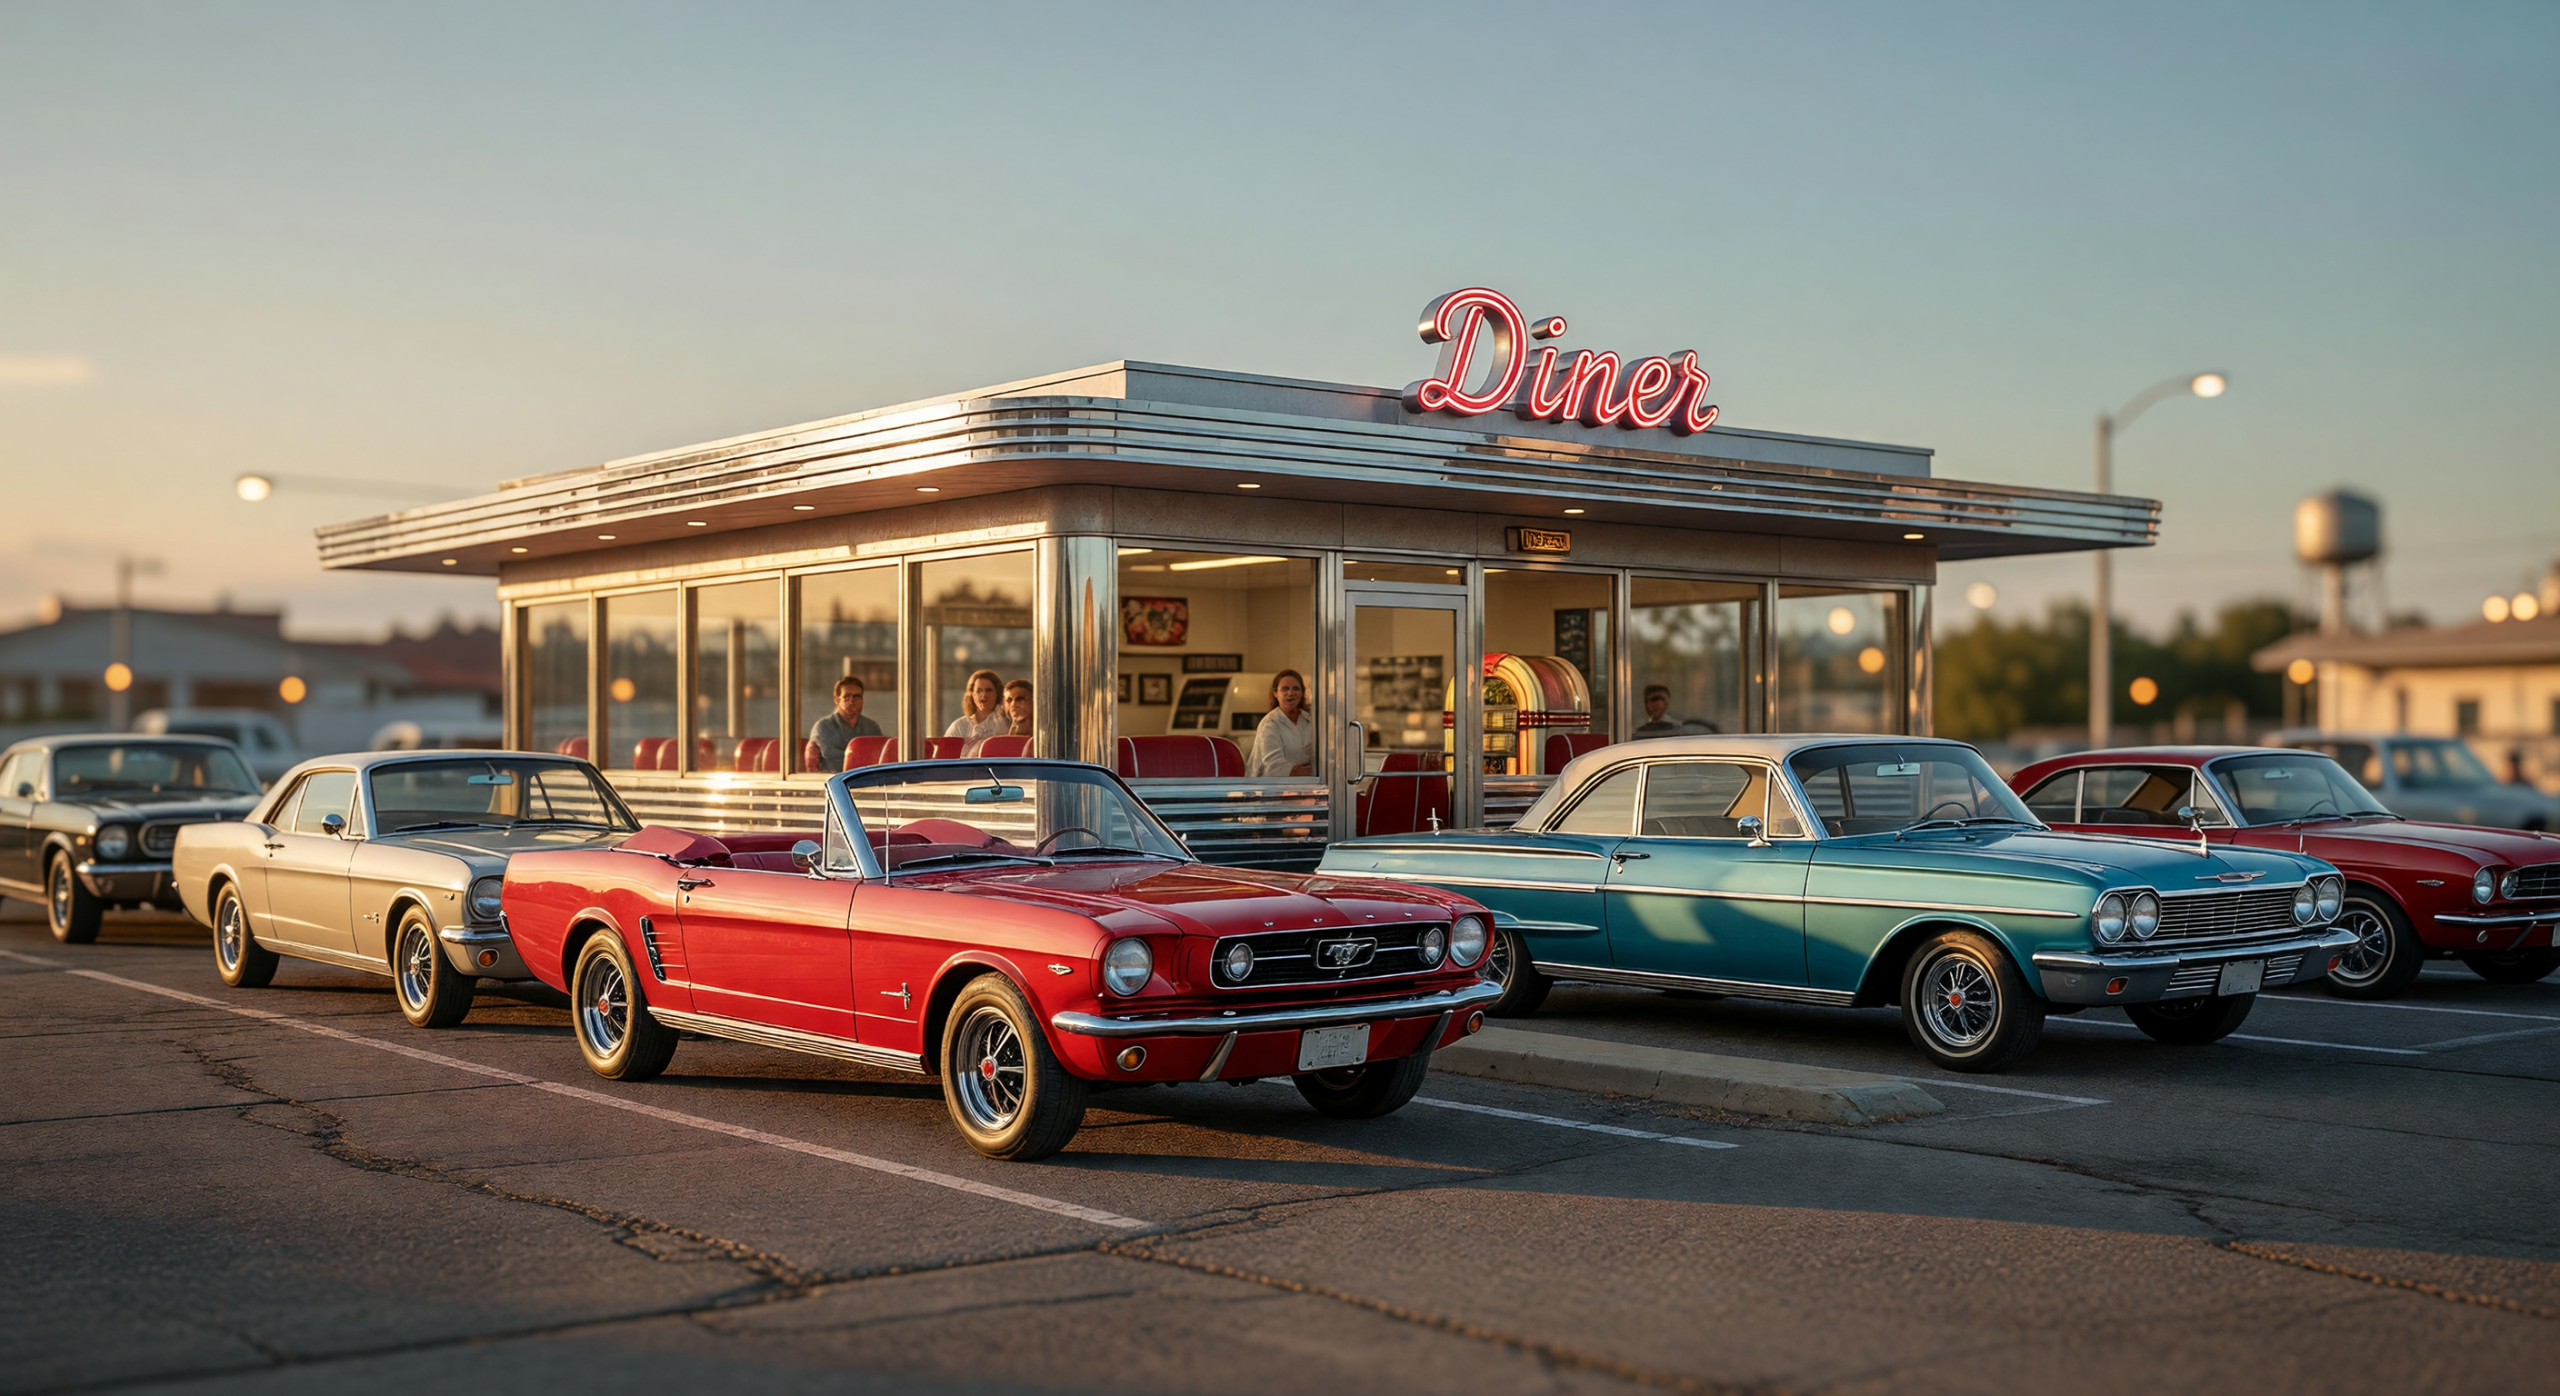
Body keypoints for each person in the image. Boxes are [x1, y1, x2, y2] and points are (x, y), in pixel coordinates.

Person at [807, 675, 883, 770]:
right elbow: (811, 766)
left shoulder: (872, 727)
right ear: (837, 700)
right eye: (846, 696)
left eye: (856, 696)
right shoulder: (823, 728)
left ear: (862, 700)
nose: (852, 701)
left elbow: (881, 761)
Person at [1250, 669, 1316, 777]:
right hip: (1274, 789)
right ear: (1276, 693)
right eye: (1285, 689)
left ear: (1302, 693)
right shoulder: (1269, 724)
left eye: (1296, 688)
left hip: (1305, 786)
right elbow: (1275, 767)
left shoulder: (1309, 720)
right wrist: (1311, 772)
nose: (1290, 693)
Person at [945, 669, 1009, 755]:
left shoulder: (1006, 723)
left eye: (988, 690)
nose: (984, 695)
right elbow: (947, 756)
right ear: (972, 694)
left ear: (997, 693)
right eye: (979, 691)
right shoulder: (959, 726)